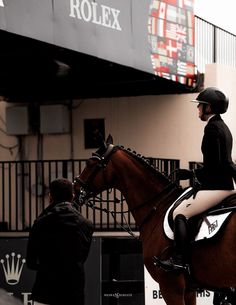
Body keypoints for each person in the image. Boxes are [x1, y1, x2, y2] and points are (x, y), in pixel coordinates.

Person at [157, 87, 236, 273]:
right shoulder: (223, 127)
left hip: (218, 188)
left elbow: (216, 166)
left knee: (180, 214)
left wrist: (192, 174)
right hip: (225, 185)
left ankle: (179, 261)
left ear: (208, 108)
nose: (198, 109)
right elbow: (223, 163)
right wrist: (192, 173)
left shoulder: (212, 129)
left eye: (200, 105)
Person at [26, 178, 94, 305]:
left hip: (45, 292)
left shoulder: (41, 222)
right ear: (73, 196)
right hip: (74, 294)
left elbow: (30, 262)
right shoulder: (86, 225)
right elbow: (82, 258)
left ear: (50, 196)